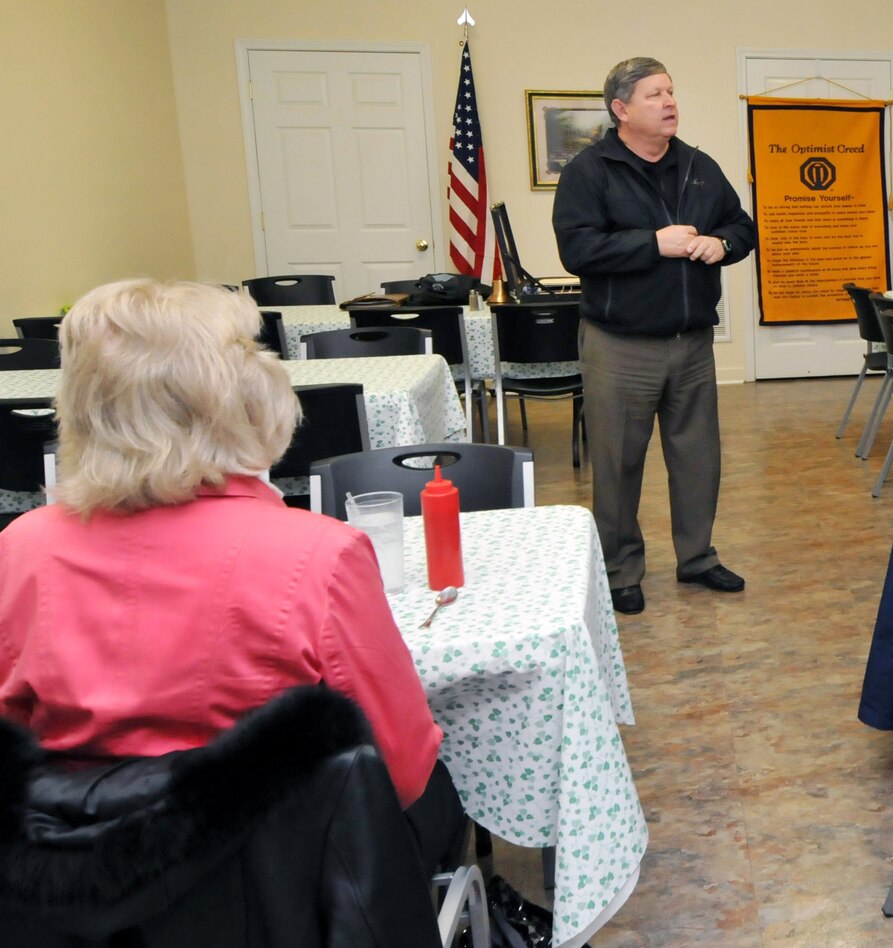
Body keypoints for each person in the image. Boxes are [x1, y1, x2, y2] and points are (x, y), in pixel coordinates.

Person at [0, 279, 458, 864]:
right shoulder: (320, 554)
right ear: (242, 401)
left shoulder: (18, 548)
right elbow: (402, 771)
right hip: (276, 902)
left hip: (76, 897)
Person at [554, 57, 757, 610]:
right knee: (619, 463)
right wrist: (653, 243)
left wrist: (724, 244)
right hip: (620, 347)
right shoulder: (590, 171)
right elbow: (577, 250)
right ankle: (621, 570)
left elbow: (742, 226)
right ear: (620, 110)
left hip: (691, 344)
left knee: (698, 459)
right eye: (654, 94)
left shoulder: (697, 165)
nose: (669, 102)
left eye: (670, 91)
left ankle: (698, 558)